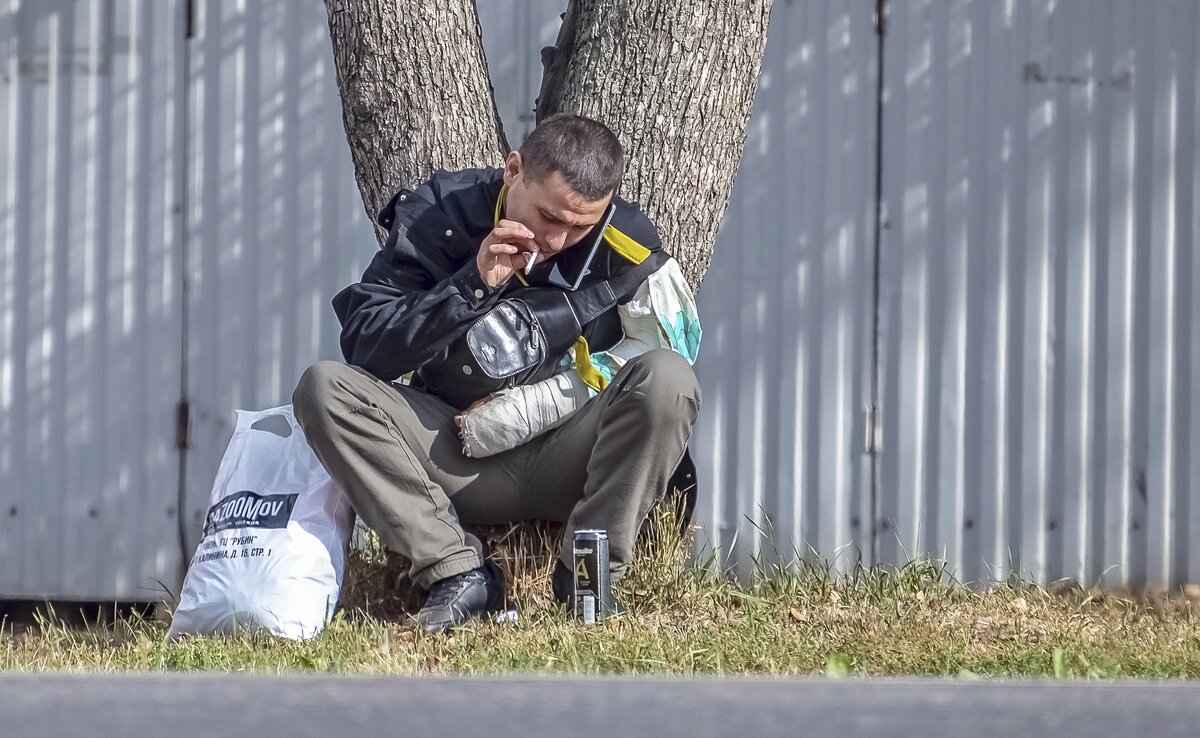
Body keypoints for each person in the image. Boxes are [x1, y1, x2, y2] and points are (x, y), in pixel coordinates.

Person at [292, 113, 702, 632]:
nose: (559, 239)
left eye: (582, 225)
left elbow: (669, 346)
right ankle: (456, 573)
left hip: (570, 455)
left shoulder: (627, 238)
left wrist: (534, 406)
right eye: (550, 217)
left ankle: (589, 577)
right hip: (455, 449)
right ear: (513, 169)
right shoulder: (440, 213)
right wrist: (470, 286)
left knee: (668, 378)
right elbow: (365, 345)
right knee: (324, 388)